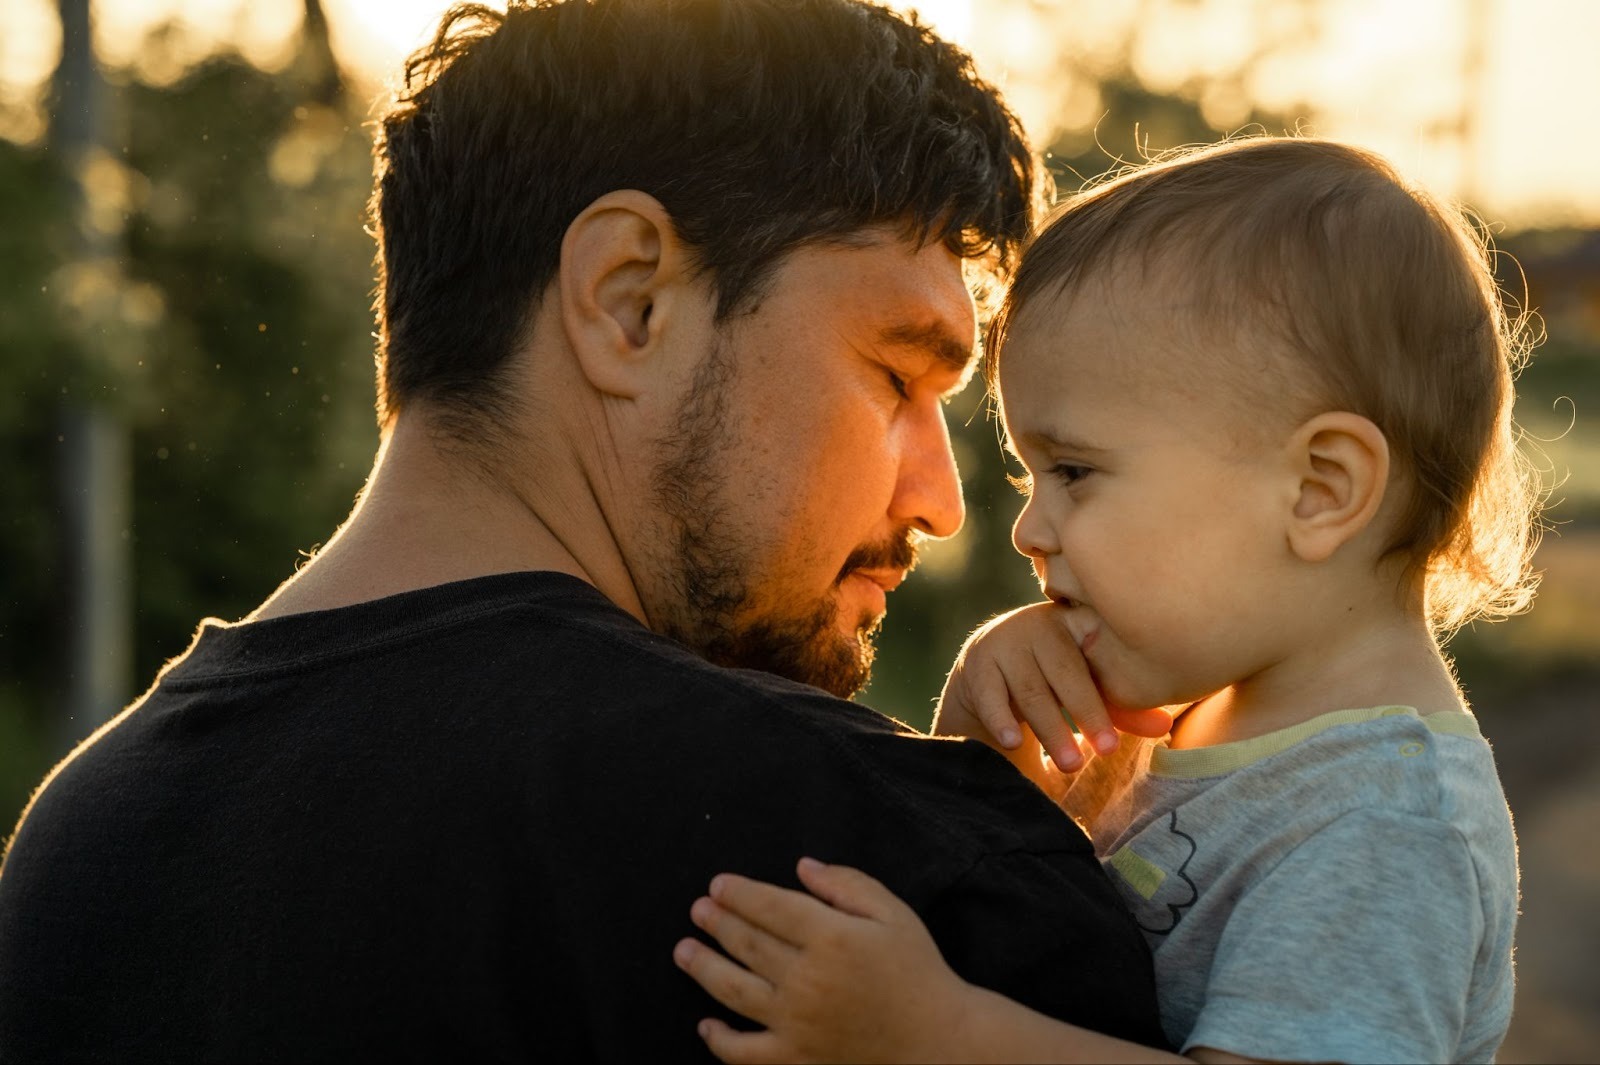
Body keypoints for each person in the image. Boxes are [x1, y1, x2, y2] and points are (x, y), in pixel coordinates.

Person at [0, 0, 1172, 1060]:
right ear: (629, 298)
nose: (942, 499)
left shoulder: (77, 848)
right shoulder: (866, 881)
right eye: (896, 376)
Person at [673, 136, 1539, 1064]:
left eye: (1076, 470)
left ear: (1319, 489)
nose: (1027, 529)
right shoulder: (1189, 720)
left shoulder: (1385, 824)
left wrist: (937, 1032)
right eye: (1027, 473)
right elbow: (1033, 923)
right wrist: (985, 754)